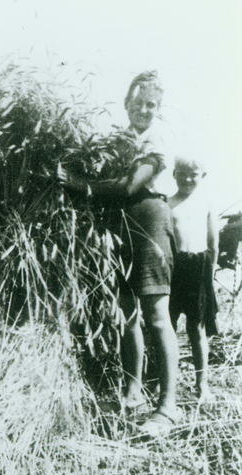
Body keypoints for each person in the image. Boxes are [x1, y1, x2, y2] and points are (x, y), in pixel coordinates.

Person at [60, 71, 181, 435]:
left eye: (152, 105)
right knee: (126, 313)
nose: (145, 109)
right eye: (139, 102)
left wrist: (78, 184)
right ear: (127, 102)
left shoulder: (157, 138)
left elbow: (130, 186)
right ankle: (132, 394)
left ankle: (168, 406)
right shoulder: (121, 138)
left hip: (148, 217)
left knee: (157, 313)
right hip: (120, 224)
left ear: (158, 109)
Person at [168, 155, 219, 400]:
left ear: (203, 176)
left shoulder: (207, 205)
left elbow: (213, 243)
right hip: (174, 268)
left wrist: (210, 274)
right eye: (182, 173)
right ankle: (161, 380)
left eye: (194, 174)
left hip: (199, 268)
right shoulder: (167, 203)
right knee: (167, 325)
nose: (187, 179)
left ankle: (202, 384)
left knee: (196, 328)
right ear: (173, 173)